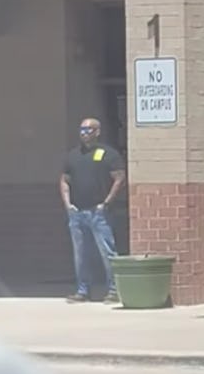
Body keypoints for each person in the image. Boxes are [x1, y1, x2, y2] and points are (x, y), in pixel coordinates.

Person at [60, 117, 126, 304]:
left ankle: (114, 290)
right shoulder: (72, 155)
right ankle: (83, 291)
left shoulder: (108, 154)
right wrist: (67, 204)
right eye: (82, 129)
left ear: (97, 132)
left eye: (88, 129)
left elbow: (119, 178)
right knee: (81, 254)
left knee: (108, 252)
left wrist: (105, 203)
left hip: (99, 213)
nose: (84, 133)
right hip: (77, 213)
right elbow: (64, 179)